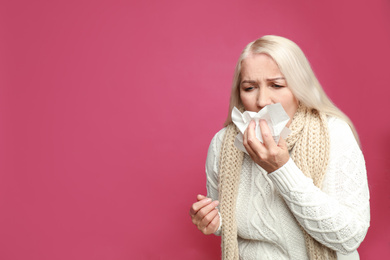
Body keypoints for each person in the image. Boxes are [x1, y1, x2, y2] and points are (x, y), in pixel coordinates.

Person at [189, 35, 370, 260]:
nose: (263, 100)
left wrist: (281, 169)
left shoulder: (335, 134)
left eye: (276, 85)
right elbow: (229, 219)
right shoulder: (223, 143)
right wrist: (212, 221)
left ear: (298, 87)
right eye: (249, 87)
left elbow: (349, 238)